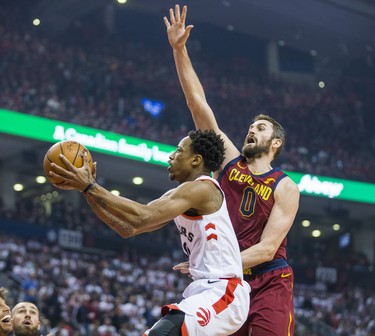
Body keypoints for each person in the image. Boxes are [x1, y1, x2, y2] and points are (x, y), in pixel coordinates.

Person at [164, 5, 300, 336]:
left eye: (262, 128)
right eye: (252, 126)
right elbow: (198, 104)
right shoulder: (230, 162)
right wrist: (179, 50)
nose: (253, 130)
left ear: (276, 143)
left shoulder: (285, 186)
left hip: (269, 279)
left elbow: (268, 249)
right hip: (228, 279)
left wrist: (210, 264)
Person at [48, 129, 251, 336]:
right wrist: (86, 191)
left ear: (196, 160)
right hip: (204, 291)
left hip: (225, 291)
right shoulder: (179, 194)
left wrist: (90, 186)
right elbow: (128, 228)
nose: (171, 156)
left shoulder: (203, 190)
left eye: (179, 151)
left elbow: (142, 216)